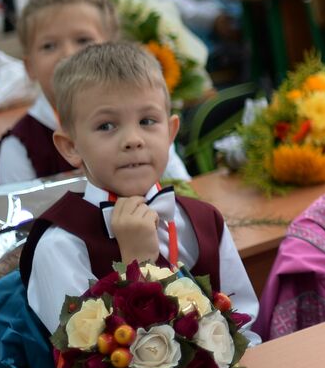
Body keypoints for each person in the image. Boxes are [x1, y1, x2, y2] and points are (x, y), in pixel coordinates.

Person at [17, 43, 258, 341]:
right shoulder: (60, 247)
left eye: (147, 121)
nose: (133, 139)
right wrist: (137, 265)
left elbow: (246, 328)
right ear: (71, 147)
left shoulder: (203, 220)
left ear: (170, 133)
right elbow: (85, 364)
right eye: (106, 125)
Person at [0, 0, 190, 185]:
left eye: (83, 40)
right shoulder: (19, 149)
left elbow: (180, 188)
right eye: (49, 46)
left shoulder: (144, 119)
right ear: (30, 66)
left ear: (112, 48)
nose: (68, 54)